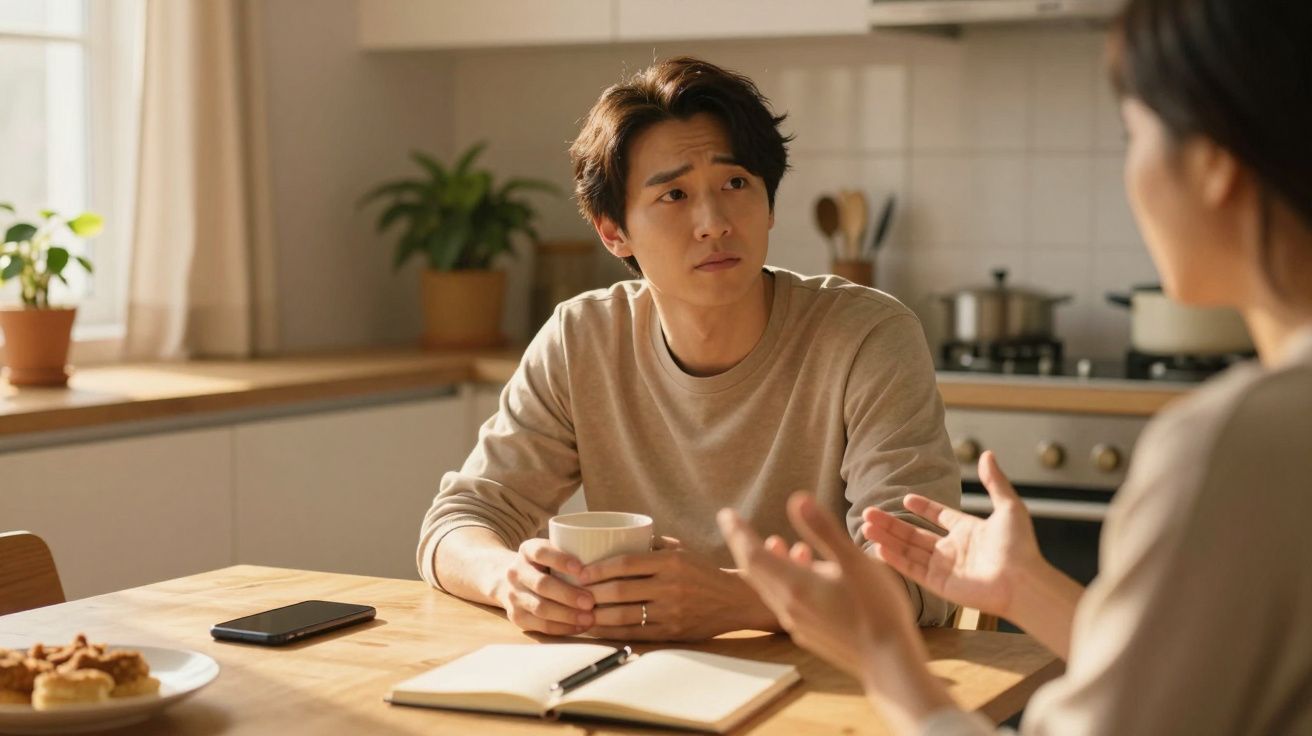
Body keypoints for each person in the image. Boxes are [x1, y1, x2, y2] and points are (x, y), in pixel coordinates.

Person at [720, 0, 1312, 732]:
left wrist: (884, 656)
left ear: (1216, 165)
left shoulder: (1239, 443)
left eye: (1134, 135)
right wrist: (1030, 590)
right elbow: (1189, 689)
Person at [417, 57, 962, 641]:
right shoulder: (581, 340)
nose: (714, 222)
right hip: (638, 683)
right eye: (674, 195)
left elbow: (924, 573)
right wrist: (509, 579)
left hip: (840, 688)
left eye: (735, 184)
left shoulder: (866, 336)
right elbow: (458, 522)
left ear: (769, 202)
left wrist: (741, 599)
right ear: (612, 231)